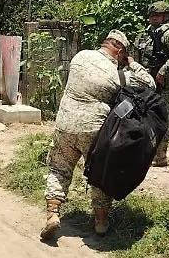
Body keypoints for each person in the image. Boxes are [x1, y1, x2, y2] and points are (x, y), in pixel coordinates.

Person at [41, 29, 155, 240]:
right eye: (123, 54)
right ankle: (101, 222)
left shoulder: (80, 56)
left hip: (65, 123)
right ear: (119, 50)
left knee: (59, 168)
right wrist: (132, 63)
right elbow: (150, 83)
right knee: (99, 174)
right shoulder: (118, 75)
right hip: (93, 130)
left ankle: (53, 214)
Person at [134, 1, 169, 167]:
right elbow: (138, 52)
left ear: (165, 16)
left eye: (155, 15)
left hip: (163, 84)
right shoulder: (148, 33)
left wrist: (163, 71)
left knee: (160, 117)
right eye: (151, 15)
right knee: (144, 116)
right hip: (146, 81)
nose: (152, 18)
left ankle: (160, 156)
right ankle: (145, 152)